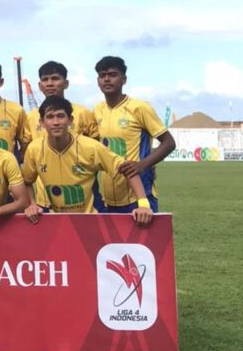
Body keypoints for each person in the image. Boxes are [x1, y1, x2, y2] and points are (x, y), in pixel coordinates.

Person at [22, 96, 152, 226]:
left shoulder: (90, 147)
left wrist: (143, 204)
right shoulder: (34, 149)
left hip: (93, 220)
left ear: (70, 120)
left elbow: (128, 169)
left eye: (60, 116)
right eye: (50, 117)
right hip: (59, 220)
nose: (56, 122)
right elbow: (27, 181)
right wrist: (32, 204)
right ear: (41, 123)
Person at [93, 56, 176, 213]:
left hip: (140, 195)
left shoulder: (140, 108)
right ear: (98, 81)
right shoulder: (97, 110)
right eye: (102, 75)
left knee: (142, 239)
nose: (107, 79)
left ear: (124, 79)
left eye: (112, 74)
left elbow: (169, 143)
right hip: (109, 197)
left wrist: (143, 164)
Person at [25, 60, 99, 210]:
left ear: (66, 83)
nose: (50, 83)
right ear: (39, 86)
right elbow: (27, 153)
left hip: (79, 197)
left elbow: (95, 150)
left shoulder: (83, 113)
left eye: (55, 78)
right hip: (43, 198)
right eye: (45, 80)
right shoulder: (31, 117)